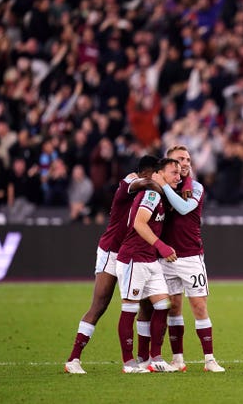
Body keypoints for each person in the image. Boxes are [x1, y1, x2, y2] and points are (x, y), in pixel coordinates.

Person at [64, 155, 161, 374]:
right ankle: (73, 359)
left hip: (135, 254)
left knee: (146, 305)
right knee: (100, 305)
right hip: (112, 252)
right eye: (158, 173)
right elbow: (141, 182)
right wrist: (161, 185)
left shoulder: (151, 195)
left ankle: (143, 359)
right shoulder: (132, 182)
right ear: (149, 172)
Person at [153, 145, 225, 373]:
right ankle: (178, 359)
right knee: (173, 307)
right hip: (166, 257)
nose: (185, 163)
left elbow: (184, 209)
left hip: (191, 256)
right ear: (168, 163)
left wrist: (164, 185)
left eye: (188, 159)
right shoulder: (159, 185)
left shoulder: (195, 187)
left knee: (199, 305)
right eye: (179, 159)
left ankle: (209, 359)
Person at [115, 158, 181, 374]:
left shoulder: (160, 196)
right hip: (134, 258)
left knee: (163, 305)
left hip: (149, 259)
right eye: (173, 173)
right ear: (158, 174)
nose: (178, 178)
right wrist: (162, 246)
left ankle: (155, 358)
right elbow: (139, 223)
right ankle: (129, 363)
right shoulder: (152, 195)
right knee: (130, 309)